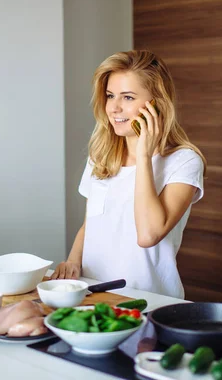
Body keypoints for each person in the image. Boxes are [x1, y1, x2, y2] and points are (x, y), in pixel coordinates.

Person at [51, 50, 206, 299]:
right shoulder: (101, 155)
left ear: (157, 102)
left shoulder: (184, 161)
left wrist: (143, 156)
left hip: (149, 301)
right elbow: (92, 221)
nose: (114, 107)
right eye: (110, 96)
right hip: (92, 294)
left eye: (128, 97)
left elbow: (148, 235)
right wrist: (73, 261)